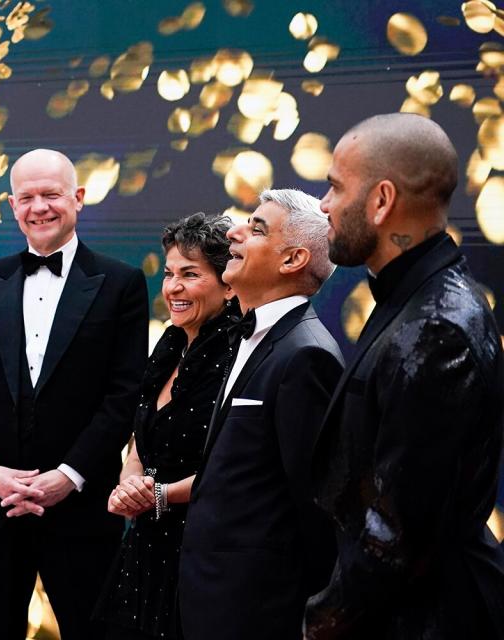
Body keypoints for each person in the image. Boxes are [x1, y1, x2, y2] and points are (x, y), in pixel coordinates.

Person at [306, 113, 504, 638]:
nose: (323, 204)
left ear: (381, 201)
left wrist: (319, 622)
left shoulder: (436, 327)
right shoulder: (416, 299)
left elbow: (397, 536)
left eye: (334, 186)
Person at [0, 148, 149, 639]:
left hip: (81, 512)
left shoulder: (121, 284)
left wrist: (69, 476)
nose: (39, 207)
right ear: (11, 206)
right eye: (27, 197)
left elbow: (124, 396)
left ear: (78, 198)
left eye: (51, 195)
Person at [177, 189, 343, 639]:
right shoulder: (250, 337)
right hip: (213, 603)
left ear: (293, 259)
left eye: (256, 228)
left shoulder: (306, 356)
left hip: (257, 614)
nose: (233, 232)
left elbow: (316, 511)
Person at [93, 212, 237, 639]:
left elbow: (234, 466)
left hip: (202, 553)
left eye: (190, 274)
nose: (172, 286)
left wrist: (157, 496)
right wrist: (130, 482)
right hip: (145, 547)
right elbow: (141, 439)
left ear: (228, 284)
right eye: (170, 272)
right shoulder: (171, 341)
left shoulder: (239, 353)